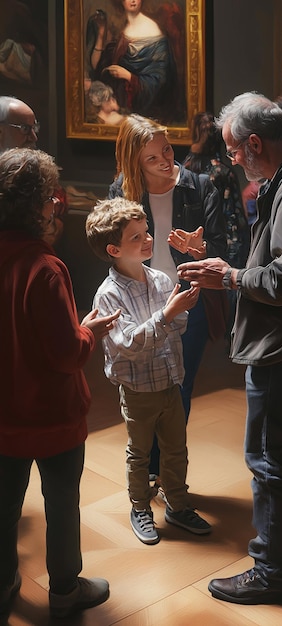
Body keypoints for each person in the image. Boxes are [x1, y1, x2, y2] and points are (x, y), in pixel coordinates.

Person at [177, 91, 282, 605]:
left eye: (233, 150)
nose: (231, 159)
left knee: (271, 460)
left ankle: (272, 572)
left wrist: (227, 275)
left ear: (255, 143)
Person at [0, 148, 119, 620]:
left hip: (4, 415)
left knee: (5, 507)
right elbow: (66, 353)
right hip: (52, 417)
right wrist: (91, 330)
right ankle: (65, 590)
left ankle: (5, 583)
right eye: (53, 198)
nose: (58, 206)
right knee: (62, 504)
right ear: (39, 206)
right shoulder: (45, 268)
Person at [85, 197, 211, 545]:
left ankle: (177, 503)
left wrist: (182, 308)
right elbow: (126, 345)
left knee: (176, 448)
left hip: (170, 381)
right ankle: (140, 506)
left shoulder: (157, 278)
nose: (148, 239)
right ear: (114, 249)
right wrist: (168, 316)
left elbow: (179, 325)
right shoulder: (108, 295)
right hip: (138, 390)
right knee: (139, 453)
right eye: (136, 237)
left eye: (146, 232)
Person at [109, 113, 227, 484]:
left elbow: (223, 249)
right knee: (144, 390)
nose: (166, 162)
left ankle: (164, 472)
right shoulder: (121, 190)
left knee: (180, 387)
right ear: (134, 162)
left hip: (187, 297)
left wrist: (200, 249)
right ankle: (144, 469)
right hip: (140, 300)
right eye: (153, 158)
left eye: (167, 150)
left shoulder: (200, 185)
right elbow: (110, 249)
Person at [183, 110, 249, 345]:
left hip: (200, 238)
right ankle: (227, 335)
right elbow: (234, 215)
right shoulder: (219, 170)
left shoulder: (187, 167)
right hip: (218, 237)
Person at [88, 0, 180, 122]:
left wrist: (129, 76)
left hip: (145, 112)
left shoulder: (153, 30)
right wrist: (100, 35)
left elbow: (160, 82)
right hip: (120, 108)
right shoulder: (122, 31)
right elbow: (98, 68)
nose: (133, 0)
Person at [0, 95, 67, 246]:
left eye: (34, 128)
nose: (34, 137)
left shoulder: (38, 174)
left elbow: (52, 232)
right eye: (25, 129)